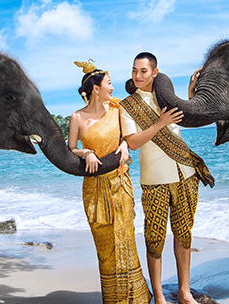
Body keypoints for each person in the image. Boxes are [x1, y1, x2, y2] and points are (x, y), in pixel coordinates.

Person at [119, 53, 214, 304]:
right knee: (155, 237)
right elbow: (133, 143)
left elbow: (192, 116)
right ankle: (159, 295)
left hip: (186, 174)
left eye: (143, 71)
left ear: (155, 72)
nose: (138, 76)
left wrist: (192, 90)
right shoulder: (127, 106)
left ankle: (184, 292)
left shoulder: (167, 98)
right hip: (155, 180)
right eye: (134, 71)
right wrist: (159, 124)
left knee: (184, 234)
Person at [68, 60, 151, 304]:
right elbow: (71, 148)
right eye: (109, 83)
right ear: (96, 89)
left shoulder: (117, 111)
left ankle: (136, 298)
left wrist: (125, 145)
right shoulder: (77, 117)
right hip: (94, 189)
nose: (112, 88)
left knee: (126, 239)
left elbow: (129, 138)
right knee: (105, 248)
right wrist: (87, 153)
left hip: (120, 184)